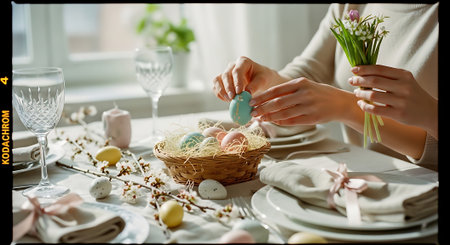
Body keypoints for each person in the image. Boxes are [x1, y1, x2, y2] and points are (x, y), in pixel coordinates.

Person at [212, 3, 438, 170]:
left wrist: (347, 108)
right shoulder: (351, 7)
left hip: (422, 201)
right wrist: (268, 80)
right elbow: (310, 71)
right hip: (358, 176)